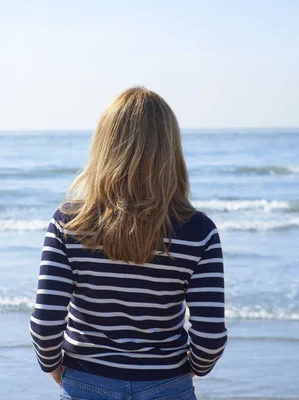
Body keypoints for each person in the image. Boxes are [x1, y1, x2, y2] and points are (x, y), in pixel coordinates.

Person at [29, 87, 227, 400]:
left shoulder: (69, 223)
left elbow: (45, 322)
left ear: (104, 145)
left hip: (86, 380)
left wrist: (53, 367)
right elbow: (210, 336)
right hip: (167, 382)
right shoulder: (198, 230)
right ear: (170, 148)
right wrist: (193, 369)